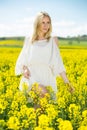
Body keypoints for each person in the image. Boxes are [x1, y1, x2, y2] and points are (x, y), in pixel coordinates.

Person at [15, 11, 74, 100]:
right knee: (44, 94)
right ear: (37, 24)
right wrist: (25, 69)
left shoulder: (53, 40)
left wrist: (67, 84)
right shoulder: (29, 39)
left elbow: (58, 64)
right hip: (32, 78)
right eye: (43, 22)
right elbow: (23, 60)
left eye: (48, 22)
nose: (46, 25)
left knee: (42, 110)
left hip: (47, 79)